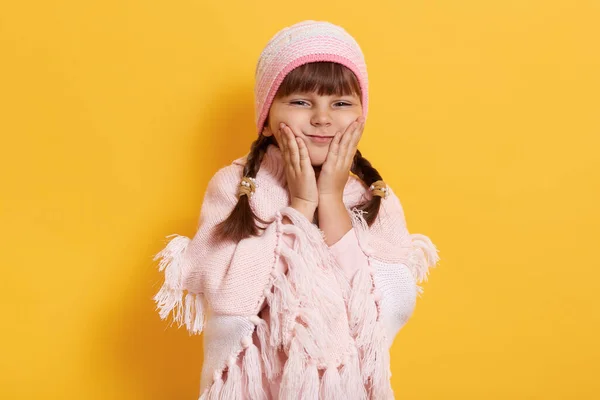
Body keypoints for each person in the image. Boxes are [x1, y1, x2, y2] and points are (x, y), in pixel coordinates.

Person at [153, 20, 440, 400]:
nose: (322, 118)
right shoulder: (236, 187)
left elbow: (379, 310)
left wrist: (332, 199)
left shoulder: (371, 196)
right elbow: (234, 302)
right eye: (301, 102)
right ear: (267, 119)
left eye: (340, 103)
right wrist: (302, 206)